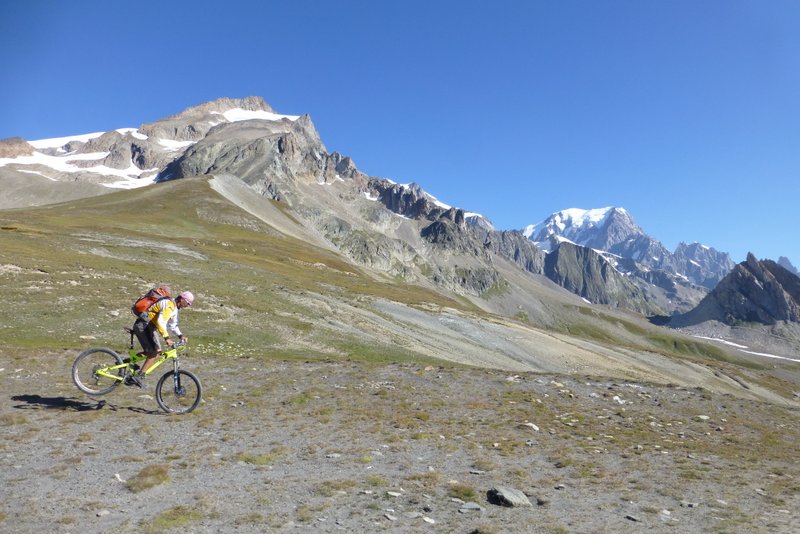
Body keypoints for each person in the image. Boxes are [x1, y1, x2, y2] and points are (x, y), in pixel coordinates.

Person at [127, 289, 194, 387]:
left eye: (189, 304)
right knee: (155, 352)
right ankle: (138, 377)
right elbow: (161, 322)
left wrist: (180, 335)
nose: (188, 306)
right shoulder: (169, 305)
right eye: (187, 303)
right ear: (182, 299)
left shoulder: (174, 308)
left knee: (150, 352)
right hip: (144, 325)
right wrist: (167, 338)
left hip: (149, 326)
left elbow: (173, 325)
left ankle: (127, 363)